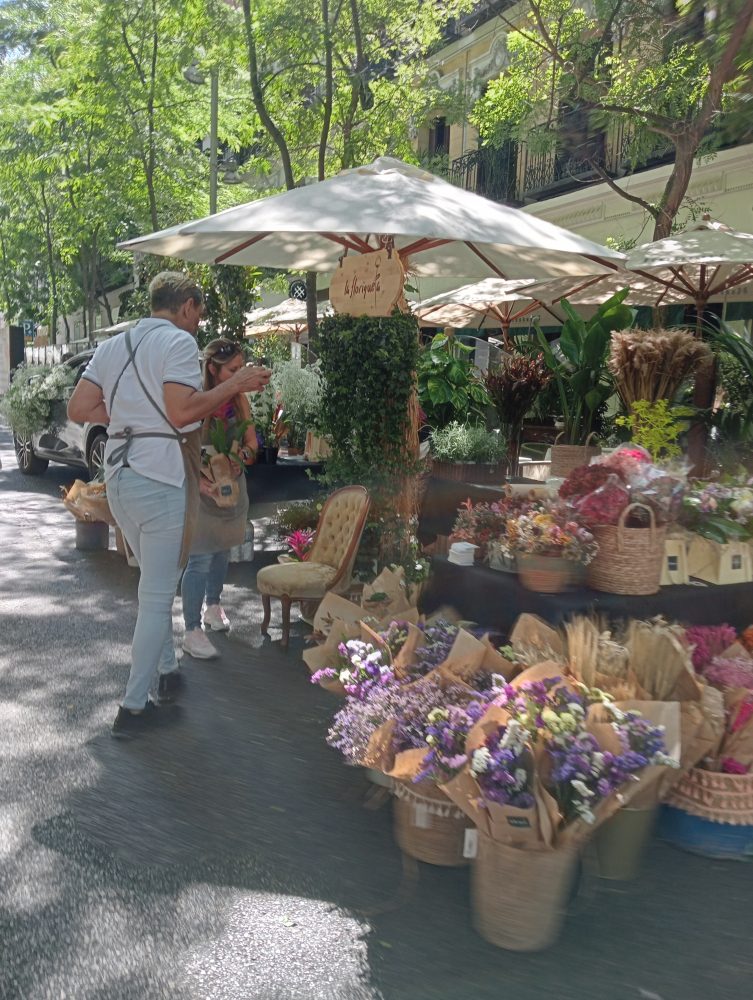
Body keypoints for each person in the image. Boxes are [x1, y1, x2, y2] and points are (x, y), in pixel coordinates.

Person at [67, 271, 271, 738]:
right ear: (186, 307)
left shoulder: (114, 346)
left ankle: (166, 671)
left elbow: (77, 409)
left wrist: (128, 418)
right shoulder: (178, 344)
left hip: (118, 478)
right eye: (198, 313)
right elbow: (183, 412)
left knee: (152, 585)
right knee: (158, 595)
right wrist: (234, 383)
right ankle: (134, 708)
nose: (198, 325)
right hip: (157, 479)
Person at [181, 339, 259, 660]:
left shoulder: (240, 401)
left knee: (223, 549)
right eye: (233, 370)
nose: (239, 375)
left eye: (241, 368)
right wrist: (201, 482)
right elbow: (183, 449)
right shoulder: (195, 402)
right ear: (213, 369)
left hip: (232, 487)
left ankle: (213, 607)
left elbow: (253, 442)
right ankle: (191, 629)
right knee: (200, 557)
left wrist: (243, 456)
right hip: (203, 488)